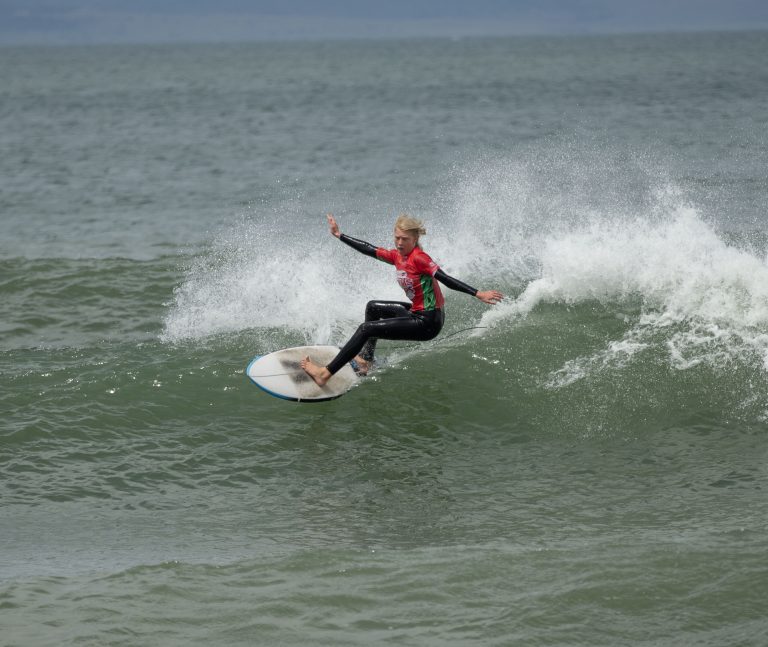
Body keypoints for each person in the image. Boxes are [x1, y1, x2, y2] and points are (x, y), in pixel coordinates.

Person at [300, 213, 503, 387]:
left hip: (428, 322)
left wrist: (478, 293)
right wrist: (339, 235)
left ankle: (324, 374)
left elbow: (446, 279)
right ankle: (365, 361)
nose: (399, 243)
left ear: (414, 239)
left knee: (366, 329)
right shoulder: (398, 256)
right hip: (417, 313)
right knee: (373, 308)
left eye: (404, 239)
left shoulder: (420, 258)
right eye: (397, 238)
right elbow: (369, 249)